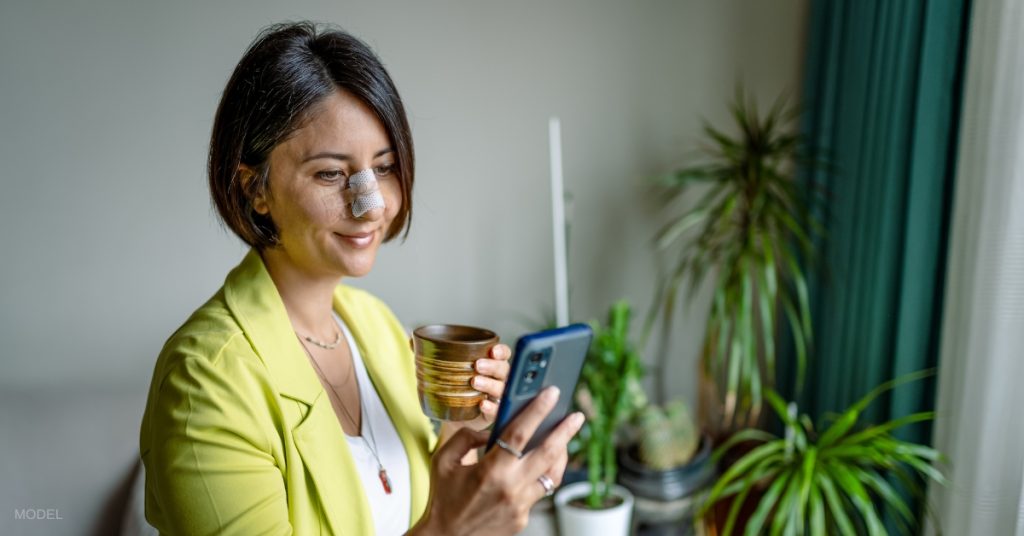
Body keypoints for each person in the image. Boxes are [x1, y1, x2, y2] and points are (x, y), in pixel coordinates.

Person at [138, 21, 584, 535]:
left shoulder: (375, 326)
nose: (372, 205)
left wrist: (477, 433)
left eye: (386, 166)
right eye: (330, 173)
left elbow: (424, 506)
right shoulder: (203, 381)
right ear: (254, 189)